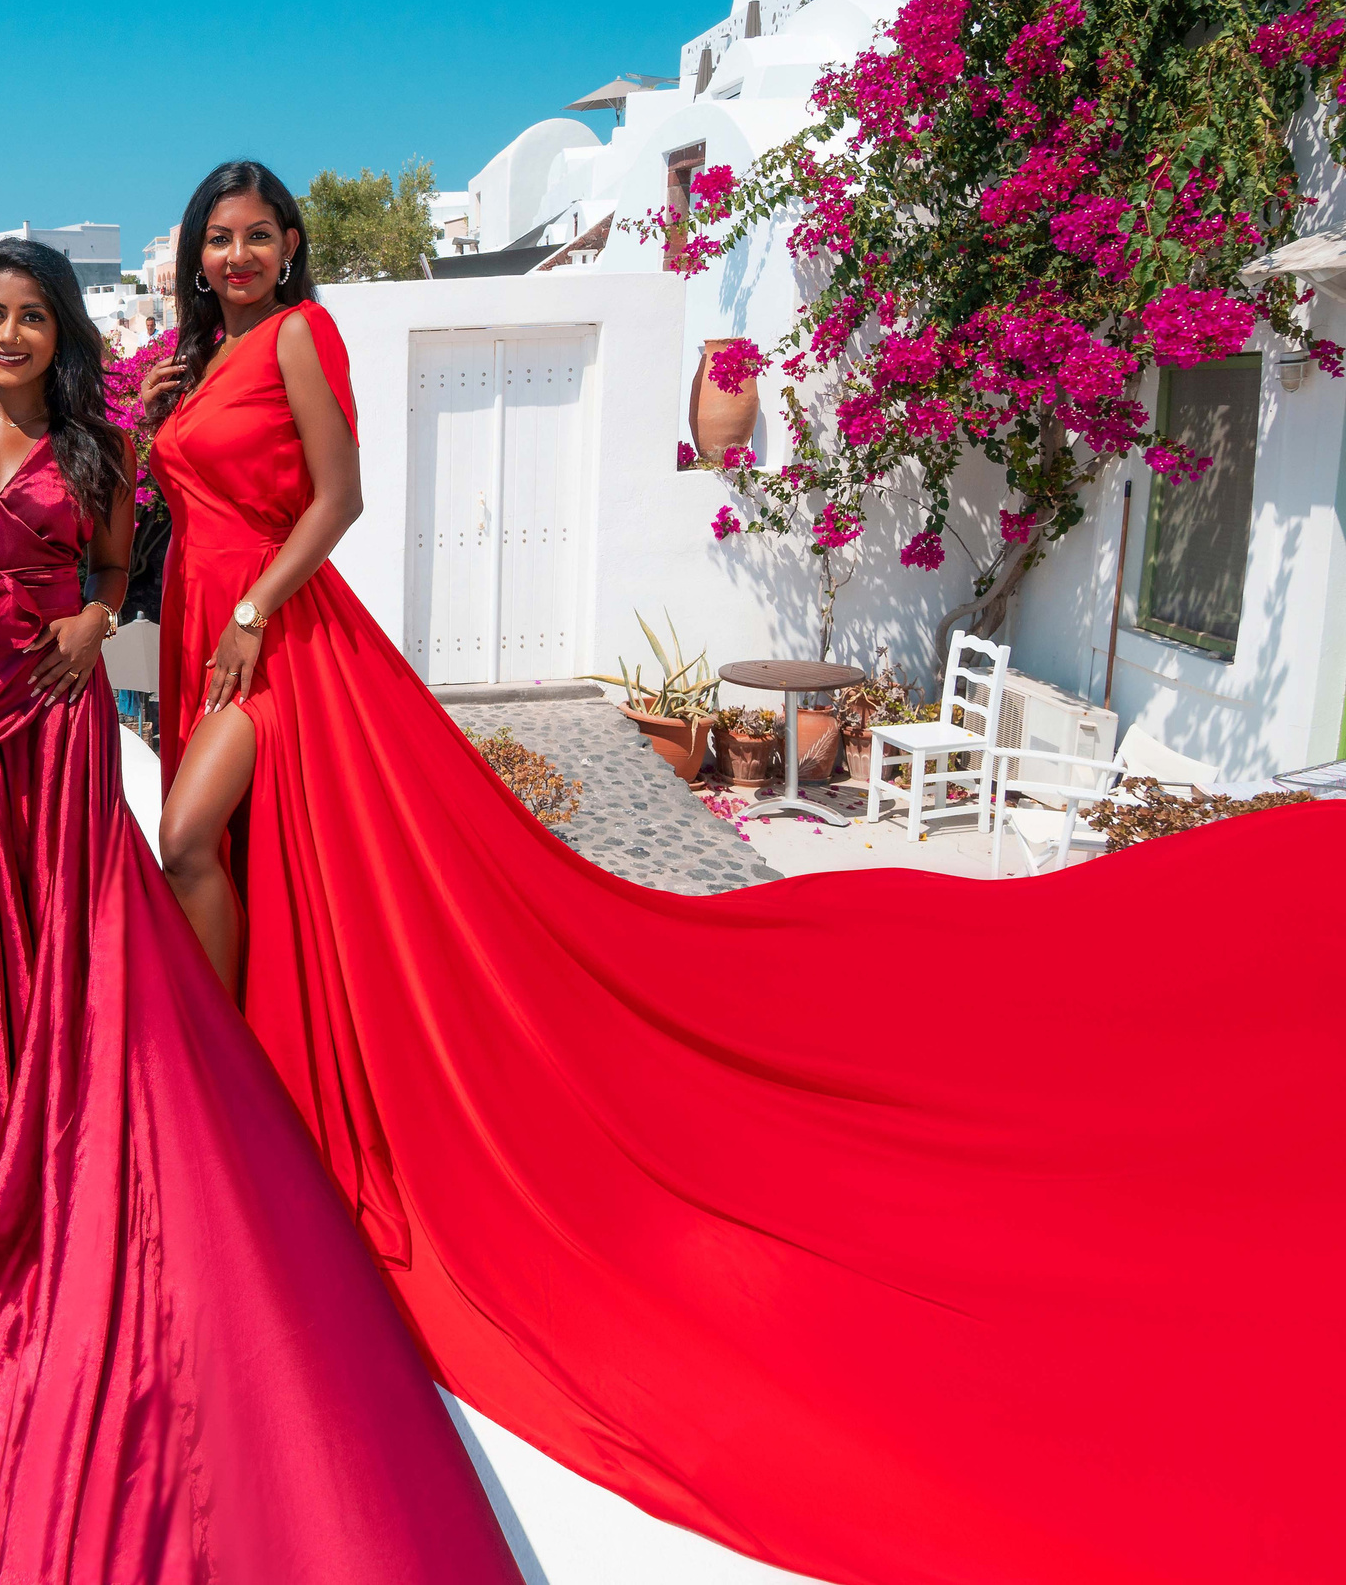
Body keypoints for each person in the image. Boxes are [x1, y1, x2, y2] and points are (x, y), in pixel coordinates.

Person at [140, 157, 1346, 1585]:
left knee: (192, 842)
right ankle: (246, 1063)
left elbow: (336, 501)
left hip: (279, 639)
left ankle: (216, 1072)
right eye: (215, 239)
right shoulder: (182, 366)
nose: (234, 255)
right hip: (199, 620)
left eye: (255, 235)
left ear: (291, 246)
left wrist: (257, 614)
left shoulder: (297, 338)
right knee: (251, 861)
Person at [0, 238, 521, 1583]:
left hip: (50, 709)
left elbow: (117, 577)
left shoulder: (103, 451)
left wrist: (92, 623)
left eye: (31, 318)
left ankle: (70, 1101)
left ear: (60, 334)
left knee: (66, 916)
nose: (7, 334)